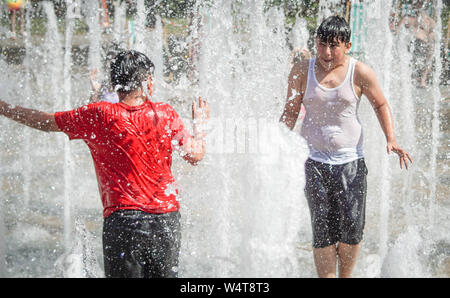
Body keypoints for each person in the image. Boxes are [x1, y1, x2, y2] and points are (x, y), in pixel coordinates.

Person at [0, 50, 210, 278]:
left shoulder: (99, 114)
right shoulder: (165, 114)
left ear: (113, 82)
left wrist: (4, 108)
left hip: (123, 223)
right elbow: (195, 155)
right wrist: (199, 127)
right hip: (166, 222)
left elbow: (45, 122)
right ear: (147, 80)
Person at [280, 16, 412, 278]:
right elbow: (291, 111)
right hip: (313, 162)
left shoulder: (360, 72)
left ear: (348, 45)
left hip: (350, 162)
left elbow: (381, 104)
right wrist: (277, 143)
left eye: (334, 46)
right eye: (321, 45)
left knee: (352, 229)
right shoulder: (300, 71)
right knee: (322, 230)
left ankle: (346, 276)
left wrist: (391, 138)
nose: (326, 53)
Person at [396, 0, 436, 88]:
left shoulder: (429, 20)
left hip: (425, 46)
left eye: (421, 3)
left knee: (431, 49)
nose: (419, 5)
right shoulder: (408, 18)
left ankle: (422, 79)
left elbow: (433, 33)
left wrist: (429, 38)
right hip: (412, 44)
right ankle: (410, 79)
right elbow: (397, 30)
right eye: (417, 3)